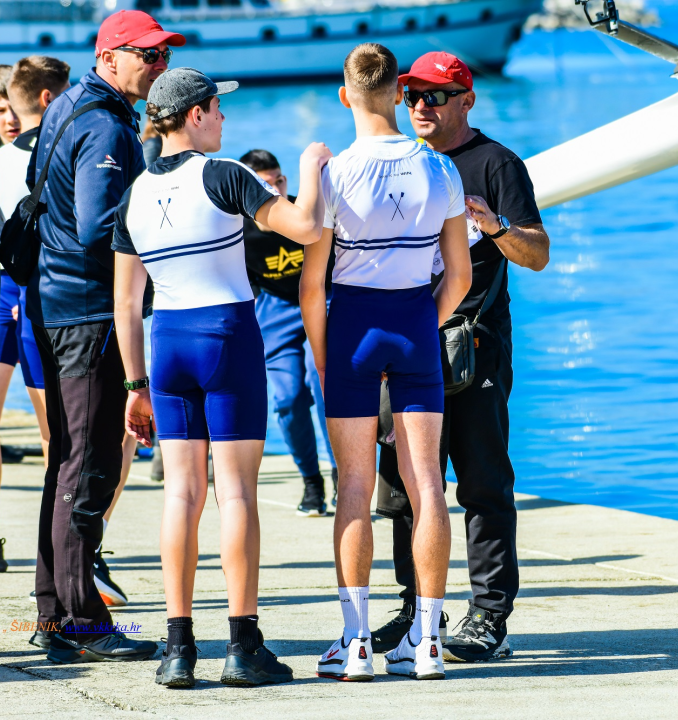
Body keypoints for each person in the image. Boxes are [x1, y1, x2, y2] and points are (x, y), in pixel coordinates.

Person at [113, 67, 331, 687]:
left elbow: (127, 303)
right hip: (227, 336)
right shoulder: (225, 174)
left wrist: (136, 385)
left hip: (167, 344)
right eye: (216, 108)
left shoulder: (132, 193)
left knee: (180, 493)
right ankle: (243, 645)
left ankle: (177, 647)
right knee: (234, 493)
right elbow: (307, 228)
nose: (224, 118)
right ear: (193, 116)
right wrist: (312, 167)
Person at [370, 51, 549, 663]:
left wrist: (495, 226)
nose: (421, 106)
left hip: (474, 346)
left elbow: (538, 254)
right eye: (412, 95)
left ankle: (489, 613)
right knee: (400, 488)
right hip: (405, 341)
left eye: (436, 96)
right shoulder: (400, 160)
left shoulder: (496, 163)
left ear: (467, 100)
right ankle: (415, 606)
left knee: (482, 482)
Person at [302, 43, 471, 682]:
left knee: (353, 486)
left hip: (351, 328)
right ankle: (427, 642)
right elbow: (456, 277)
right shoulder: (441, 170)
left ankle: (355, 645)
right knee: (428, 481)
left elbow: (312, 288)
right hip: (413, 323)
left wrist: (326, 357)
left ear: (347, 95)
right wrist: (421, 328)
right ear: (400, 93)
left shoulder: (335, 173)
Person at [25, 9, 183, 663]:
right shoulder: (105, 126)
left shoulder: (65, 107)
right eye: (147, 55)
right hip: (88, 312)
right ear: (110, 56)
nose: (159, 65)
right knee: (89, 467)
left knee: (67, 460)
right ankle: (82, 621)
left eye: (163, 54)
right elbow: (100, 226)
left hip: (56, 302)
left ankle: (52, 609)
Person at [0, 58, 68, 576]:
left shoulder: (44, 155)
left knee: (52, 426)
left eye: (12, 109)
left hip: (37, 290)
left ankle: (59, 541)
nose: (7, 120)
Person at [241, 148, 337, 516]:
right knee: (287, 397)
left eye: (280, 179)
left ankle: (342, 475)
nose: (278, 190)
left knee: (323, 382)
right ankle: (312, 482)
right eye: (267, 184)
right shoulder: (240, 230)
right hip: (276, 309)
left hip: (322, 301)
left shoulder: (305, 212)